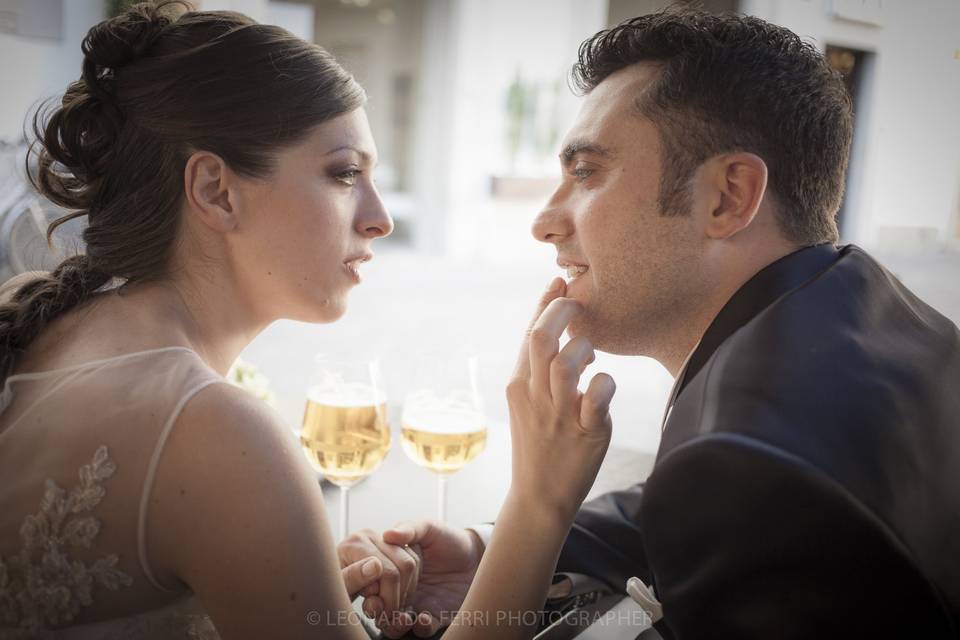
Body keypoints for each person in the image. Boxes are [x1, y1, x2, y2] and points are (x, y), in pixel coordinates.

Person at [0, 2, 617, 639]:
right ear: (215, 190)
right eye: (345, 173)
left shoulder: (51, 326)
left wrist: (289, 568)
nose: (381, 218)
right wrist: (539, 504)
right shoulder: (214, 429)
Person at [341, 9, 960, 639]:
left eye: (586, 172)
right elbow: (707, 507)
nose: (544, 221)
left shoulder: (747, 460)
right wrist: (490, 551)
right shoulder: (856, 300)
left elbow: (742, 487)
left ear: (727, 196)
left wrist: (538, 501)